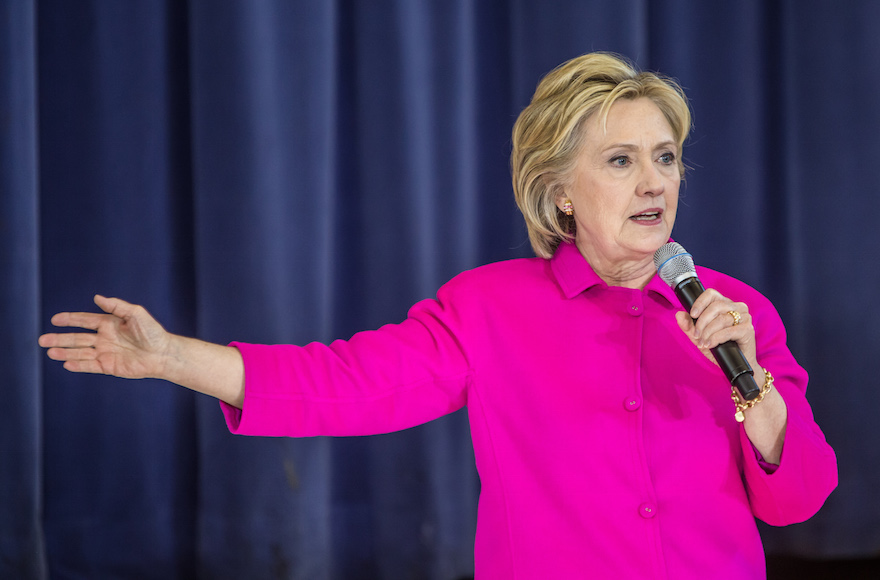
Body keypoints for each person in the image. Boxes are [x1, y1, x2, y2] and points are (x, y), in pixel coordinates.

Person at [39, 52, 837, 578]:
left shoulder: (737, 311)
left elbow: (798, 499)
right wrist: (173, 356)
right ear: (559, 191)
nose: (654, 182)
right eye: (620, 161)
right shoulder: (492, 308)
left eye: (664, 157)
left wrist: (752, 381)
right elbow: (346, 384)